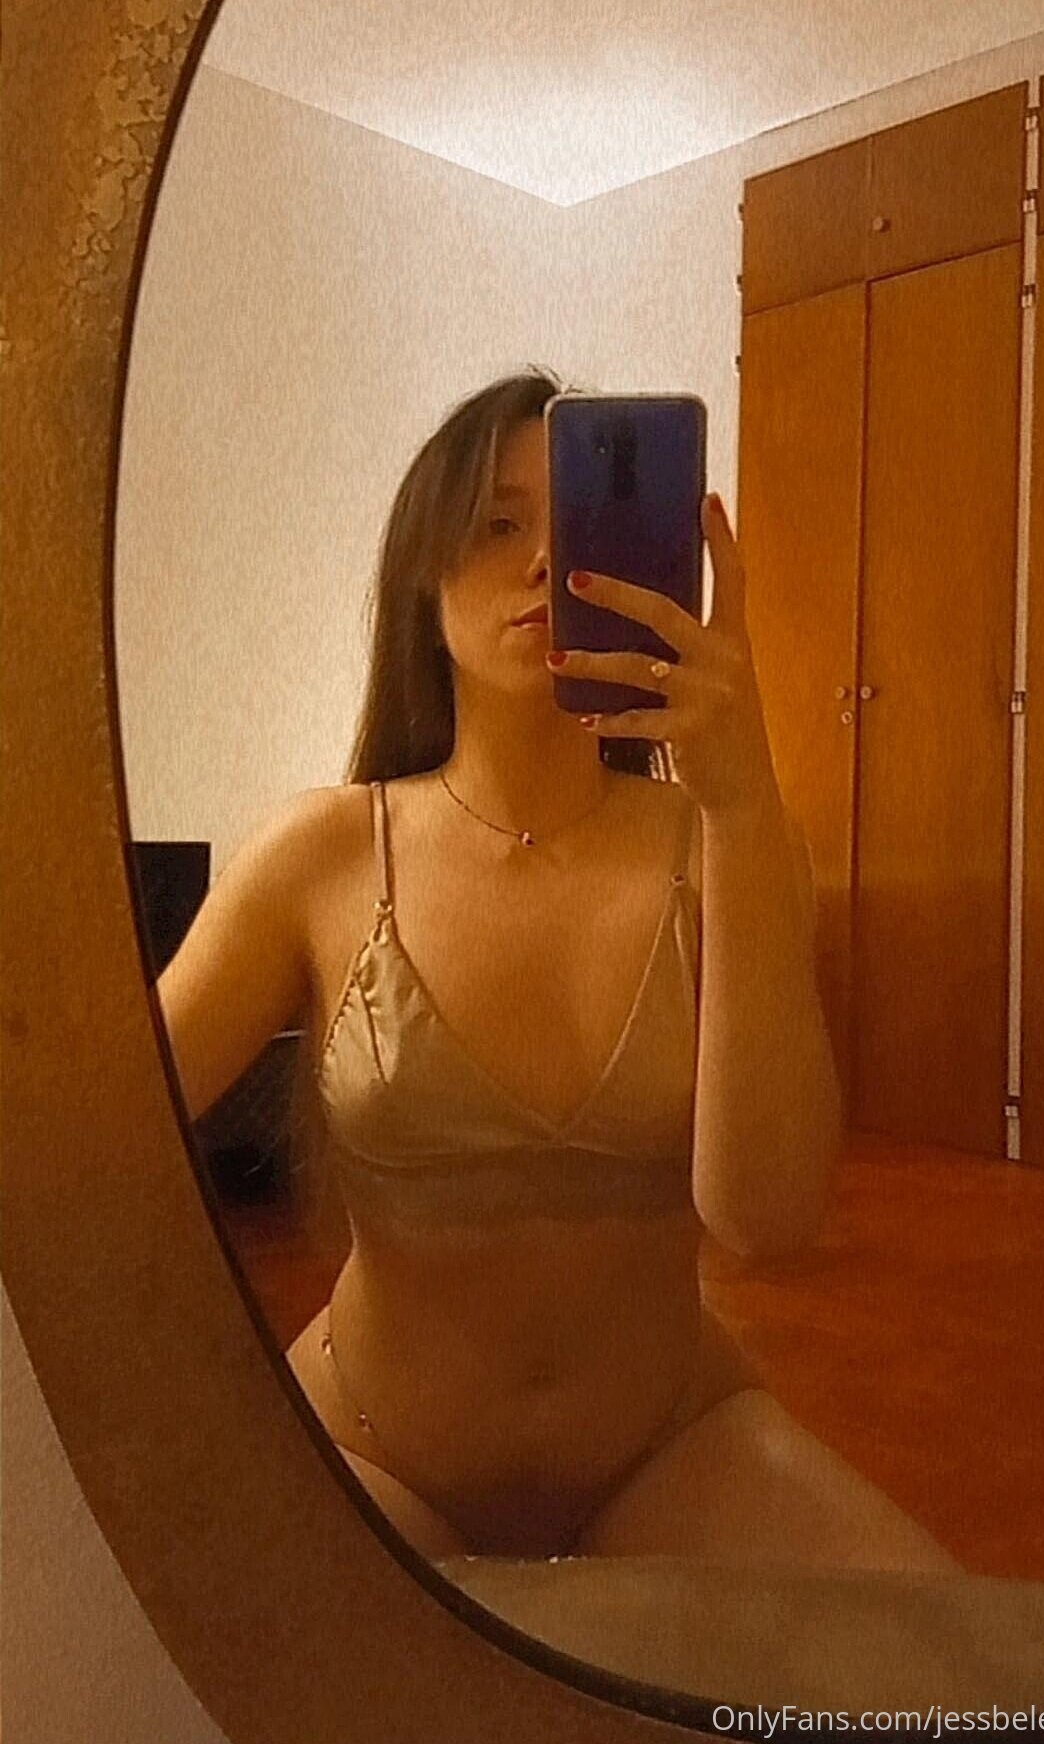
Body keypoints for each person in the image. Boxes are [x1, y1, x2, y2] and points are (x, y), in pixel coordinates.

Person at [162, 368, 963, 1570]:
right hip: (371, 1454)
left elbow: (766, 1217)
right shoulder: (321, 857)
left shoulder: (725, 844)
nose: (545, 560)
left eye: (581, 520)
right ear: (422, 577)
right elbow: (97, 1125)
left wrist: (742, 802)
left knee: (950, 1649)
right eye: (497, 525)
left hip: (671, 1448)